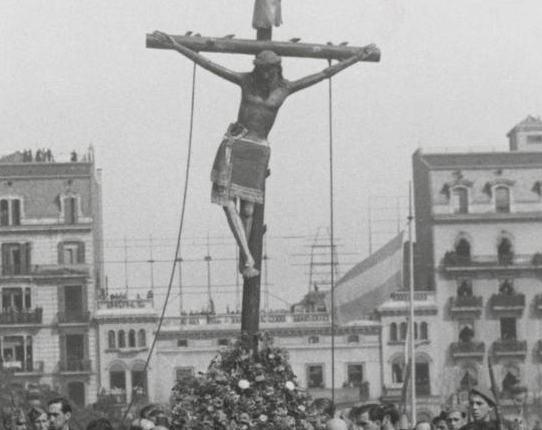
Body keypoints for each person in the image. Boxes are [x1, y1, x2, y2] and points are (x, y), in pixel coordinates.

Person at [149, 30, 377, 279]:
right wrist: (175, 46)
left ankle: (244, 259)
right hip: (236, 144)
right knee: (227, 203)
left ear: (276, 69)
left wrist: (355, 59)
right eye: (262, 68)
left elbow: (323, 75)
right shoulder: (246, 81)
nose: (265, 73)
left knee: (248, 210)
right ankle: (247, 257)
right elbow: (209, 64)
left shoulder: (285, 89)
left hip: (258, 150)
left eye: (269, 69)